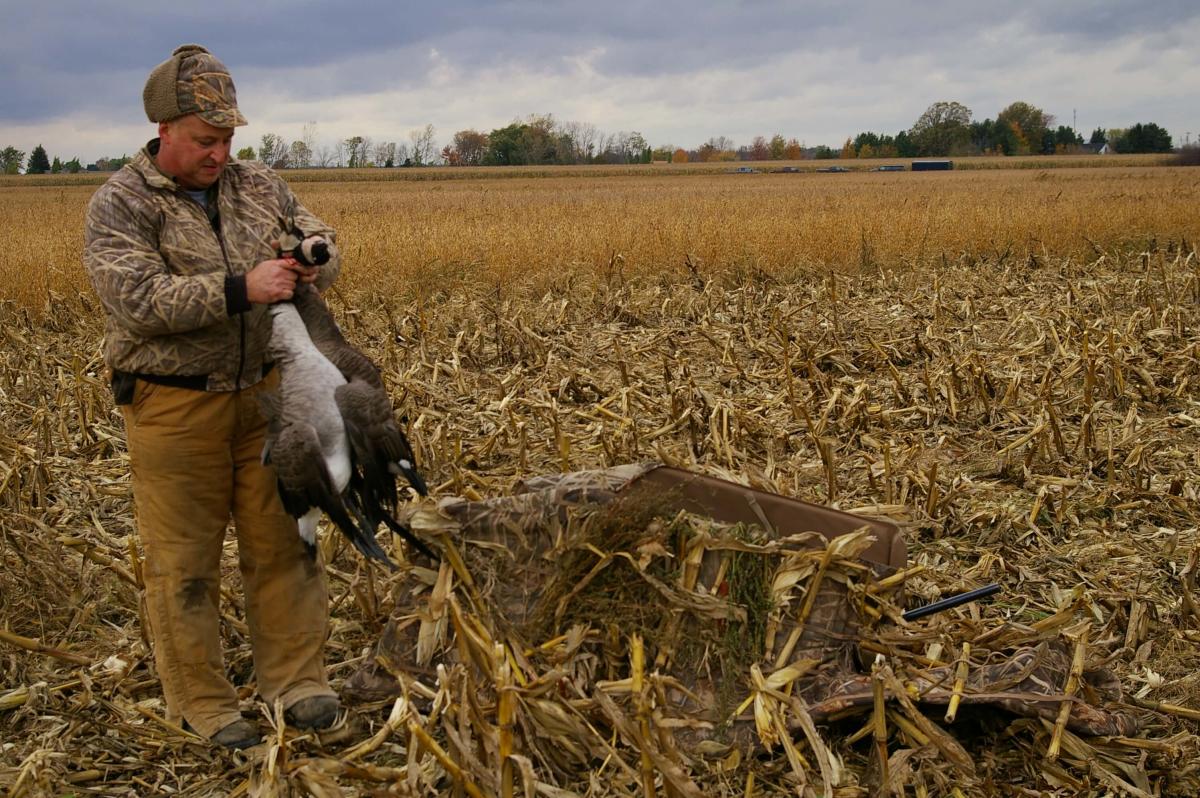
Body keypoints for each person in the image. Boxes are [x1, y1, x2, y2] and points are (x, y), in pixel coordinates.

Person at [84, 44, 342, 750]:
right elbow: (138, 299)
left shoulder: (260, 185)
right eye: (204, 139)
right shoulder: (120, 205)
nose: (219, 152)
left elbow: (321, 237)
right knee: (184, 563)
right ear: (163, 129)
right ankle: (202, 703)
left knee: (284, 544)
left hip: (266, 395)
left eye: (228, 138)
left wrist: (315, 256)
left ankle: (298, 683)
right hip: (174, 407)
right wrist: (242, 288)